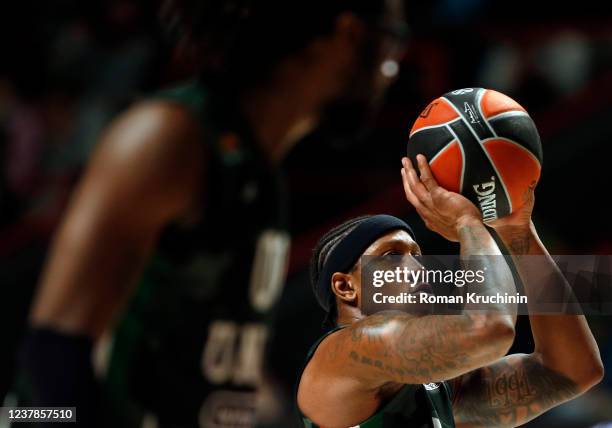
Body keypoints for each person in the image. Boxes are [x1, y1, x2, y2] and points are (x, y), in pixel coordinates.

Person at [15, 1, 409, 427]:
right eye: (393, 37)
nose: (395, 64)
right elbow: (49, 355)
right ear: (348, 33)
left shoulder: (259, 171)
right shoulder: (170, 136)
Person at [296, 155, 603, 427]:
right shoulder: (344, 353)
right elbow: (490, 328)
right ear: (346, 287)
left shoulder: (437, 391)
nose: (418, 267)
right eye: (392, 256)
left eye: (418, 255)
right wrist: (468, 222)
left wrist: (517, 231)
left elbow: (574, 370)